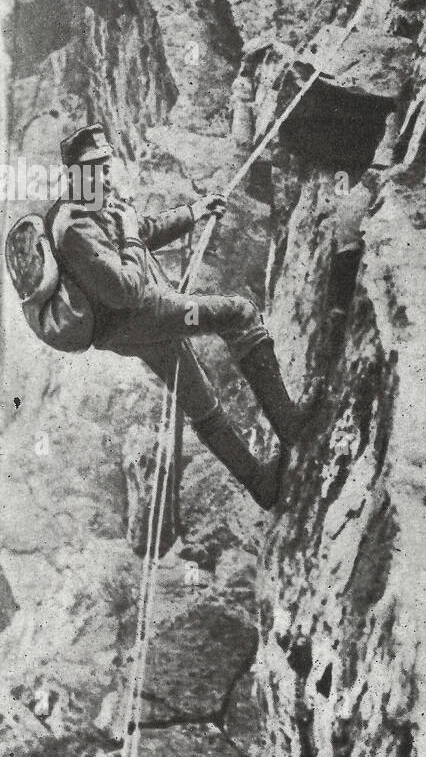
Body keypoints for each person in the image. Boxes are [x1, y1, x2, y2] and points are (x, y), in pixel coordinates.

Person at [50, 126, 318, 510]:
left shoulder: (91, 206)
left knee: (198, 397)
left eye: (105, 166)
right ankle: (290, 428)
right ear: (73, 173)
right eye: (94, 168)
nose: (104, 176)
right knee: (239, 314)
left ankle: (262, 485)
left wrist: (192, 213)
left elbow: (142, 231)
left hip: (132, 326)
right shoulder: (74, 226)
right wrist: (128, 233)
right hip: (142, 314)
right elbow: (126, 289)